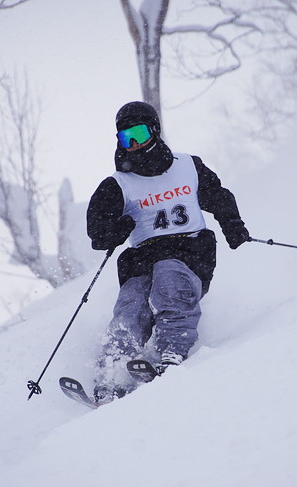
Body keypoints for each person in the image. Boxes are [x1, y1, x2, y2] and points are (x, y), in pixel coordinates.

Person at [86, 101, 250, 404]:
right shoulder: (117, 184)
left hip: (190, 249)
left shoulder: (187, 166)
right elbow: (97, 232)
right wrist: (116, 229)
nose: (133, 145)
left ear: (154, 131)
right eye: (125, 138)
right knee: (132, 302)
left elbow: (219, 197)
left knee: (169, 279)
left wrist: (233, 226)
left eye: (138, 134)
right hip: (144, 256)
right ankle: (112, 370)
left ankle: (171, 350)